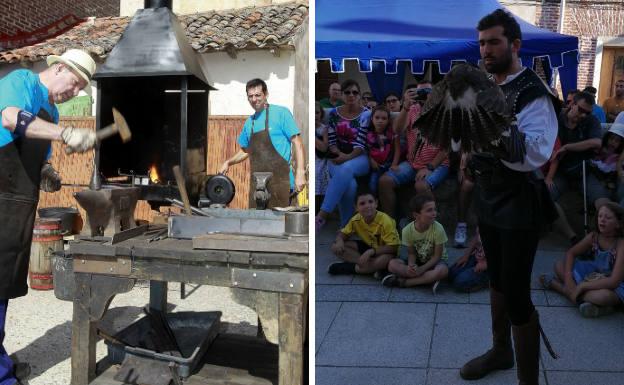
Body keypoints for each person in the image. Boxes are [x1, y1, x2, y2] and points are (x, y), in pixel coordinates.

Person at [460, 10, 559, 385]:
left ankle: (528, 381)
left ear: (515, 45)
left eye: (494, 42)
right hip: (488, 196)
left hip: (519, 203)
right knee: (497, 281)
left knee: (517, 293)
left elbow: (532, 154)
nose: (486, 49)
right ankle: (501, 351)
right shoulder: (486, 84)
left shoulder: (534, 91)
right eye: (482, 42)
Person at [0, 48, 98, 385]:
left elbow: (36, 153)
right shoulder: (22, 80)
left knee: (3, 287)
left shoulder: (51, 113)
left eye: (80, 89)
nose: (74, 92)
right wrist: (67, 134)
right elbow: (10, 118)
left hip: (17, 208)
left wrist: (47, 171)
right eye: (73, 84)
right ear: (58, 67)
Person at [219, 79, 306, 205]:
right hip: (258, 190)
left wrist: (300, 172)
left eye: (258, 95)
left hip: (282, 185)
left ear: (266, 94)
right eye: (250, 96)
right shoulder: (250, 123)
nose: (254, 99)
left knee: (283, 224)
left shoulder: (281, 113)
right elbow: (246, 150)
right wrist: (228, 162)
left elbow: (297, 142)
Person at [378, 81, 449, 220]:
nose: (424, 95)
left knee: (421, 186)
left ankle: (431, 227)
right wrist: (405, 107)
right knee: (384, 181)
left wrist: (429, 167)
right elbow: (397, 129)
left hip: (437, 164)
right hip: (413, 163)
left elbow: (447, 148)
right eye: (420, 92)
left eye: (428, 92)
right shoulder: (412, 109)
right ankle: (390, 226)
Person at [540, 202, 624, 318]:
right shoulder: (594, 236)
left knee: (603, 297)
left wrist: (583, 286)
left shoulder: (621, 244)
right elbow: (571, 253)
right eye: (600, 216)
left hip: (614, 285)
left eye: (608, 217)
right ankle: (597, 306)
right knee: (559, 265)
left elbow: (614, 281)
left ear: (618, 224)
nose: (602, 220)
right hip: (594, 275)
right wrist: (569, 277)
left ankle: (560, 288)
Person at [315, 79, 371, 230]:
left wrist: (345, 158)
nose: (351, 95)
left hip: (359, 157)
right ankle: (346, 228)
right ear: (342, 95)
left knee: (345, 169)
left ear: (359, 95)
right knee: (350, 185)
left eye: (355, 92)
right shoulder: (334, 113)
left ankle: (322, 215)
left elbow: (360, 142)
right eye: (347, 92)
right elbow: (332, 140)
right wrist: (337, 153)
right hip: (337, 156)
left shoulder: (366, 114)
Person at [548, 91, 602, 244]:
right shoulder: (556, 117)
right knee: (544, 196)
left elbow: (596, 142)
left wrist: (567, 147)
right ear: (571, 104)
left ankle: (597, 241)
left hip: (583, 170)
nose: (584, 115)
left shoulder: (591, 121)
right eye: (581, 110)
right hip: (559, 172)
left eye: (588, 112)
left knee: (603, 202)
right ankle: (573, 237)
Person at [381, 193, 449, 292]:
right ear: (416, 215)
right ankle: (427, 280)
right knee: (392, 264)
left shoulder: (438, 229)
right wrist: (411, 266)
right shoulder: (407, 230)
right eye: (429, 210)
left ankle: (405, 282)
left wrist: (422, 269)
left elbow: (437, 256)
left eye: (434, 209)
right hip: (418, 260)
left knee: (443, 271)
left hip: (435, 262)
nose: (434, 213)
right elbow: (411, 253)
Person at [327, 190, 400, 277]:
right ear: (356, 207)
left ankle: (351, 268)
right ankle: (373, 269)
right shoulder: (356, 219)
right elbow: (343, 234)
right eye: (362, 203)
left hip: (385, 251)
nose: (367, 206)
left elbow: (394, 247)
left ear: (376, 203)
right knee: (335, 247)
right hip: (369, 246)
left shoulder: (385, 221)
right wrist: (339, 240)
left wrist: (371, 252)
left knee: (385, 260)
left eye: (370, 202)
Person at [366, 105, 400, 194]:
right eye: (377, 118)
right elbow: (367, 150)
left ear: (388, 120)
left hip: (389, 164)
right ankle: (374, 204)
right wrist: (371, 160)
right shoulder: (368, 134)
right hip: (376, 166)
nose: (380, 121)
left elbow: (397, 150)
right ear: (372, 119)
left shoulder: (392, 133)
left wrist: (394, 164)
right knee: (372, 185)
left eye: (384, 118)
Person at [315, 101, 330, 212]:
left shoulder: (324, 129)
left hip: (320, 160)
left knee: (319, 172)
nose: (315, 115)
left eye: (317, 112)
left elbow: (324, 148)